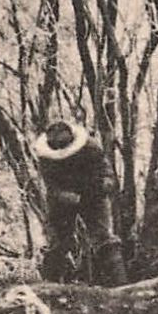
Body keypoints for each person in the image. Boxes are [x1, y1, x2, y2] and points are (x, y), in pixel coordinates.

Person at [32, 118, 128, 286]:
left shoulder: (91, 147)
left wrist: (104, 184)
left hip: (93, 196)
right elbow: (52, 188)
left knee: (105, 239)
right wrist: (69, 197)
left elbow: (106, 173)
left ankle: (122, 285)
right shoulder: (46, 157)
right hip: (63, 202)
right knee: (59, 243)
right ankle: (49, 286)